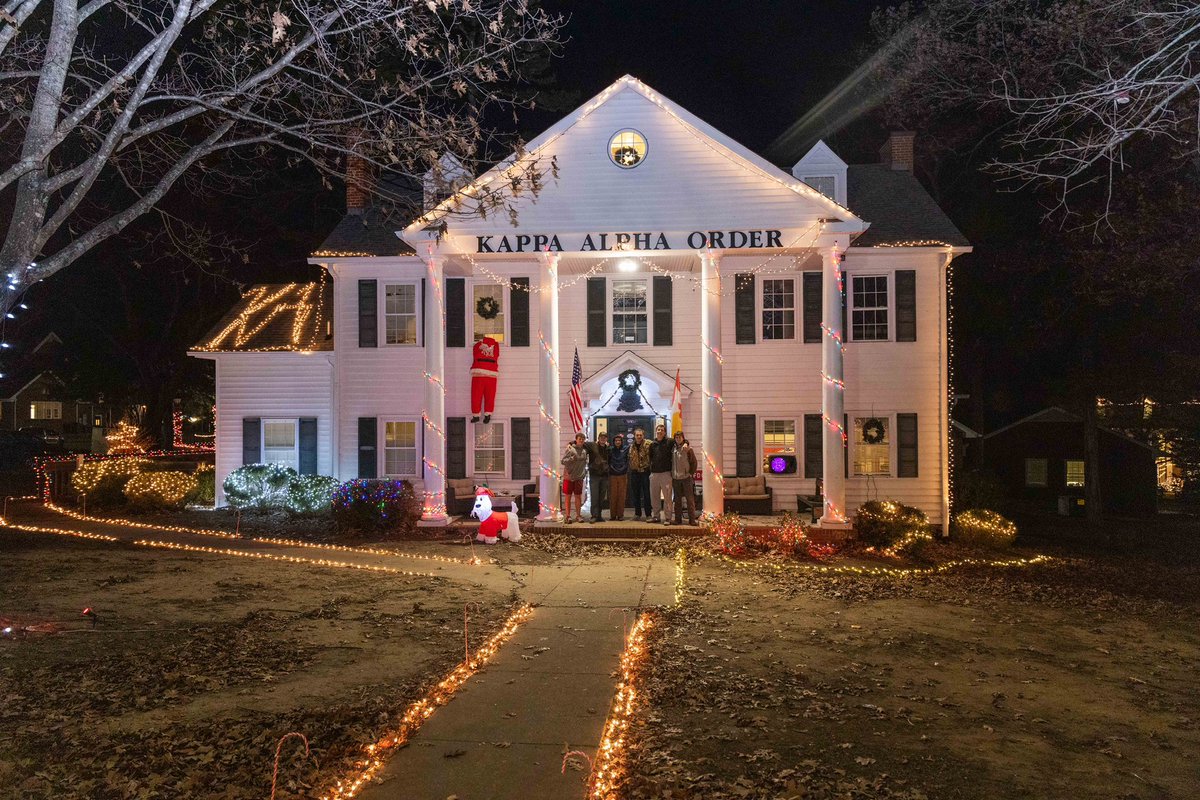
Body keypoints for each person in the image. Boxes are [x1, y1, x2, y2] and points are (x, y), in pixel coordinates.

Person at [648, 423, 676, 524]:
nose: (659, 431)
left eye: (661, 430)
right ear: (656, 431)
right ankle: (656, 516)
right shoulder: (652, 444)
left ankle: (668, 518)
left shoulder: (670, 442)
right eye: (658, 430)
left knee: (667, 497)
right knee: (654, 497)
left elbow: (680, 441)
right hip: (654, 474)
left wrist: (686, 442)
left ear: (664, 432)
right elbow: (650, 458)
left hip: (666, 474)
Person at [671, 431, 698, 526]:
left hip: (686, 478)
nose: (678, 439)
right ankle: (678, 520)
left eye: (680, 437)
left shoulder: (688, 449)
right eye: (676, 437)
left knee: (689, 499)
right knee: (677, 500)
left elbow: (694, 462)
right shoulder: (672, 448)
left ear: (683, 438)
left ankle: (692, 520)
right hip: (675, 478)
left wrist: (690, 473)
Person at [583, 431, 611, 523]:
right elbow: (581, 443)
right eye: (601, 437)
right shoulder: (592, 445)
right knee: (594, 496)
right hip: (594, 476)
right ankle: (594, 516)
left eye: (605, 437)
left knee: (601, 497)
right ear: (598, 438)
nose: (603, 438)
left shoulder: (608, 448)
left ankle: (599, 515)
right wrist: (572, 443)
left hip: (604, 476)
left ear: (606, 438)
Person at [560, 432, 587, 523]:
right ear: (576, 439)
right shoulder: (570, 449)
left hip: (579, 478)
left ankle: (578, 516)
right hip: (569, 477)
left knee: (578, 497)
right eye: (580, 439)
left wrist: (584, 473)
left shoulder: (584, 450)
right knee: (568, 496)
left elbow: (585, 463)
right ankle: (568, 516)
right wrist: (571, 459)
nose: (581, 440)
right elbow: (563, 461)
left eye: (583, 439)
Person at [627, 427, 652, 521]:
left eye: (640, 435)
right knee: (635, 494)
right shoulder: (631, 446)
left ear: (643, 435)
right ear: (634, 436)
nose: (639, 437)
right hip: (634, 473)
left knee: (646, 494)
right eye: (637, 435)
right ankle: (637, 514)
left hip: (645, 472)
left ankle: (648, 514)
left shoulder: (649, 444)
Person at [608, 432, 629, 521]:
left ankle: (620, 515)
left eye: (619, 440)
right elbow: (608, 461)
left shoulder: (626, 448)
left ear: (621, 441)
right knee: (613, 496)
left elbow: (627, 461)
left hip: (623, 475)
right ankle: (613, 515)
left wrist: (623, 469)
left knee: (621, 496)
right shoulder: (610, 449)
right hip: (613, 475)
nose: (617, 442)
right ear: (613, 442)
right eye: (616, 440)